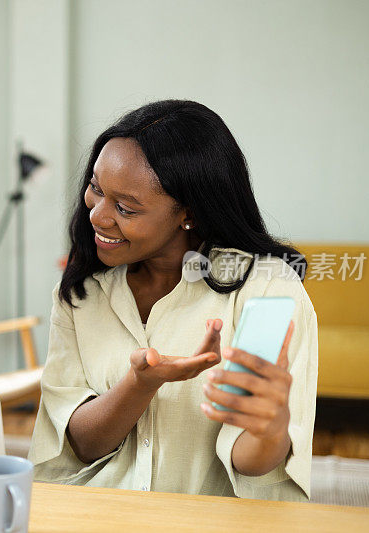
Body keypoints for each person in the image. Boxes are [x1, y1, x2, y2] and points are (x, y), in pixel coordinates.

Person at [28, 100, 317, 501]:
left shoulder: (265, 288)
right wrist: (138, 385)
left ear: (190, 214)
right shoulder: (84, 290)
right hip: (98, 511)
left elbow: (252, 464)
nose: (97, 215)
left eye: (126, 207)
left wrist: (269, 427)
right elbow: (82, 445)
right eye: (96, 187)